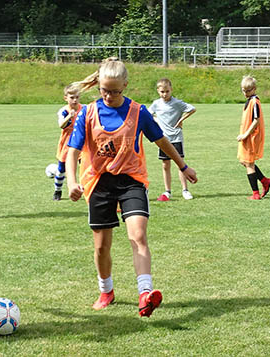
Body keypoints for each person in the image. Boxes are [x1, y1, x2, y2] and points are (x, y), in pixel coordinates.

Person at [66, 58, 197, 317]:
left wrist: (183, 166)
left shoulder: (139, 112)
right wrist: (72, 182)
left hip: (131, 181)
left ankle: (145, 294)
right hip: (99, 182)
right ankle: (106, 290)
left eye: (116, 91)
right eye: (105, 90)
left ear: (125, 85)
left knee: (138, 236)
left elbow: (161, 140)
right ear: (99, 86)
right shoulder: (88, 113)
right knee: (102, 246)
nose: (110, 96)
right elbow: (72, 152)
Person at [148, 78, 197, 201]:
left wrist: (181, 120)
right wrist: (156, 121)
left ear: (171, 90)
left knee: (180, 164)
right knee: (165, 165)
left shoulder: (177, 103)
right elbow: (149, 114)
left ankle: (185, 190)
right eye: (162, 92)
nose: (165, 94)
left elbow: (192, 109)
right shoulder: (156, 104)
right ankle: (167, 191)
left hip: (176, 137)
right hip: (163, 139)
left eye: (167, 91)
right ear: (158, 91)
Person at [237, 75, 270, 200]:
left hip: (251, 137)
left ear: (254, 89)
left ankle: (255, 194)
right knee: (244, 161)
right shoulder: (250, 101)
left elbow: (256, 120)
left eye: (248, 90)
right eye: (243, 90)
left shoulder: (255, 102)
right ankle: (265, 181)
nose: (245, 93)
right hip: (247, 137)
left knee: (248, 163)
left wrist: (245, 134)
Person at [51, 85, 85, 201]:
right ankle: (57, 190)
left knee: (84, 167)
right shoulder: (64, 111)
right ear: (66, 98)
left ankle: (84, 190)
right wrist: (69, 117)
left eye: (77, 97)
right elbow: (61, 125)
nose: (75, 100)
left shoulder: (84, 109)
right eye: (72, 97)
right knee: (61, 170)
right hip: (67, 143)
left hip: (81, 143)